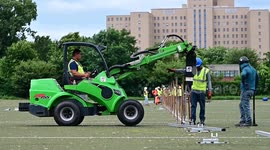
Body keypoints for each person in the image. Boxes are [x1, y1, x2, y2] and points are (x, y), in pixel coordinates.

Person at [235, 56, 259, 127]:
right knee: (242, 105)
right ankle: (243, 120)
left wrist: (243, 82)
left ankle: (248, 121)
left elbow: (243, 75)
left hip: (246, 89)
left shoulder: (245, 69)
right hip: (252, 89)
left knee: (245, 105)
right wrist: (255, 88)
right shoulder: (254, 69)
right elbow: (257, 78)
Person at [189, 57, 212, 125]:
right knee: (193, 106)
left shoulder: (206, 71)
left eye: (197, 66)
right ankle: (193, 119)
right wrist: (175, 70)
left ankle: (202, 120)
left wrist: (210, 91)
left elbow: (209, 82)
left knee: (202, 107)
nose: (196, 68)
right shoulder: (193, 69)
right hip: (194, 92)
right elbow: (185, 71)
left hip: (202, 92)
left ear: (201, 65)